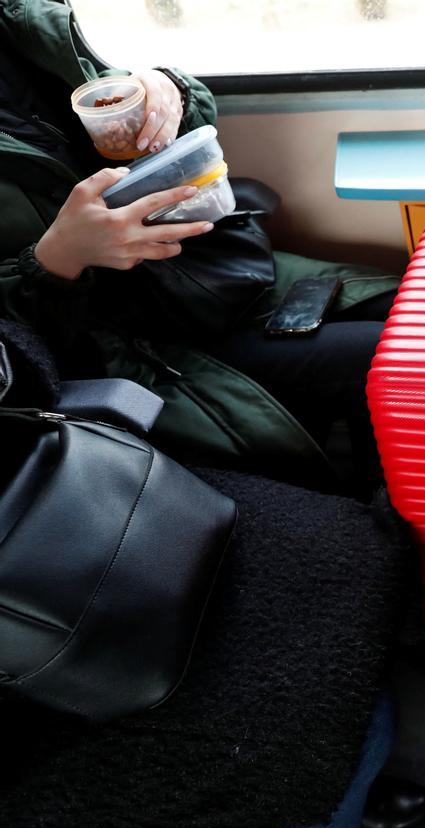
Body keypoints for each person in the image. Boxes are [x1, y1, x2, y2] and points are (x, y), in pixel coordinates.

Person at [0, 0, 399, 494]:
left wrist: (171, 93)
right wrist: (57, 259)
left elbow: (146, 131)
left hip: (201, 271)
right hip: (124, 346)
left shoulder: (27, 27)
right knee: (403, 361)